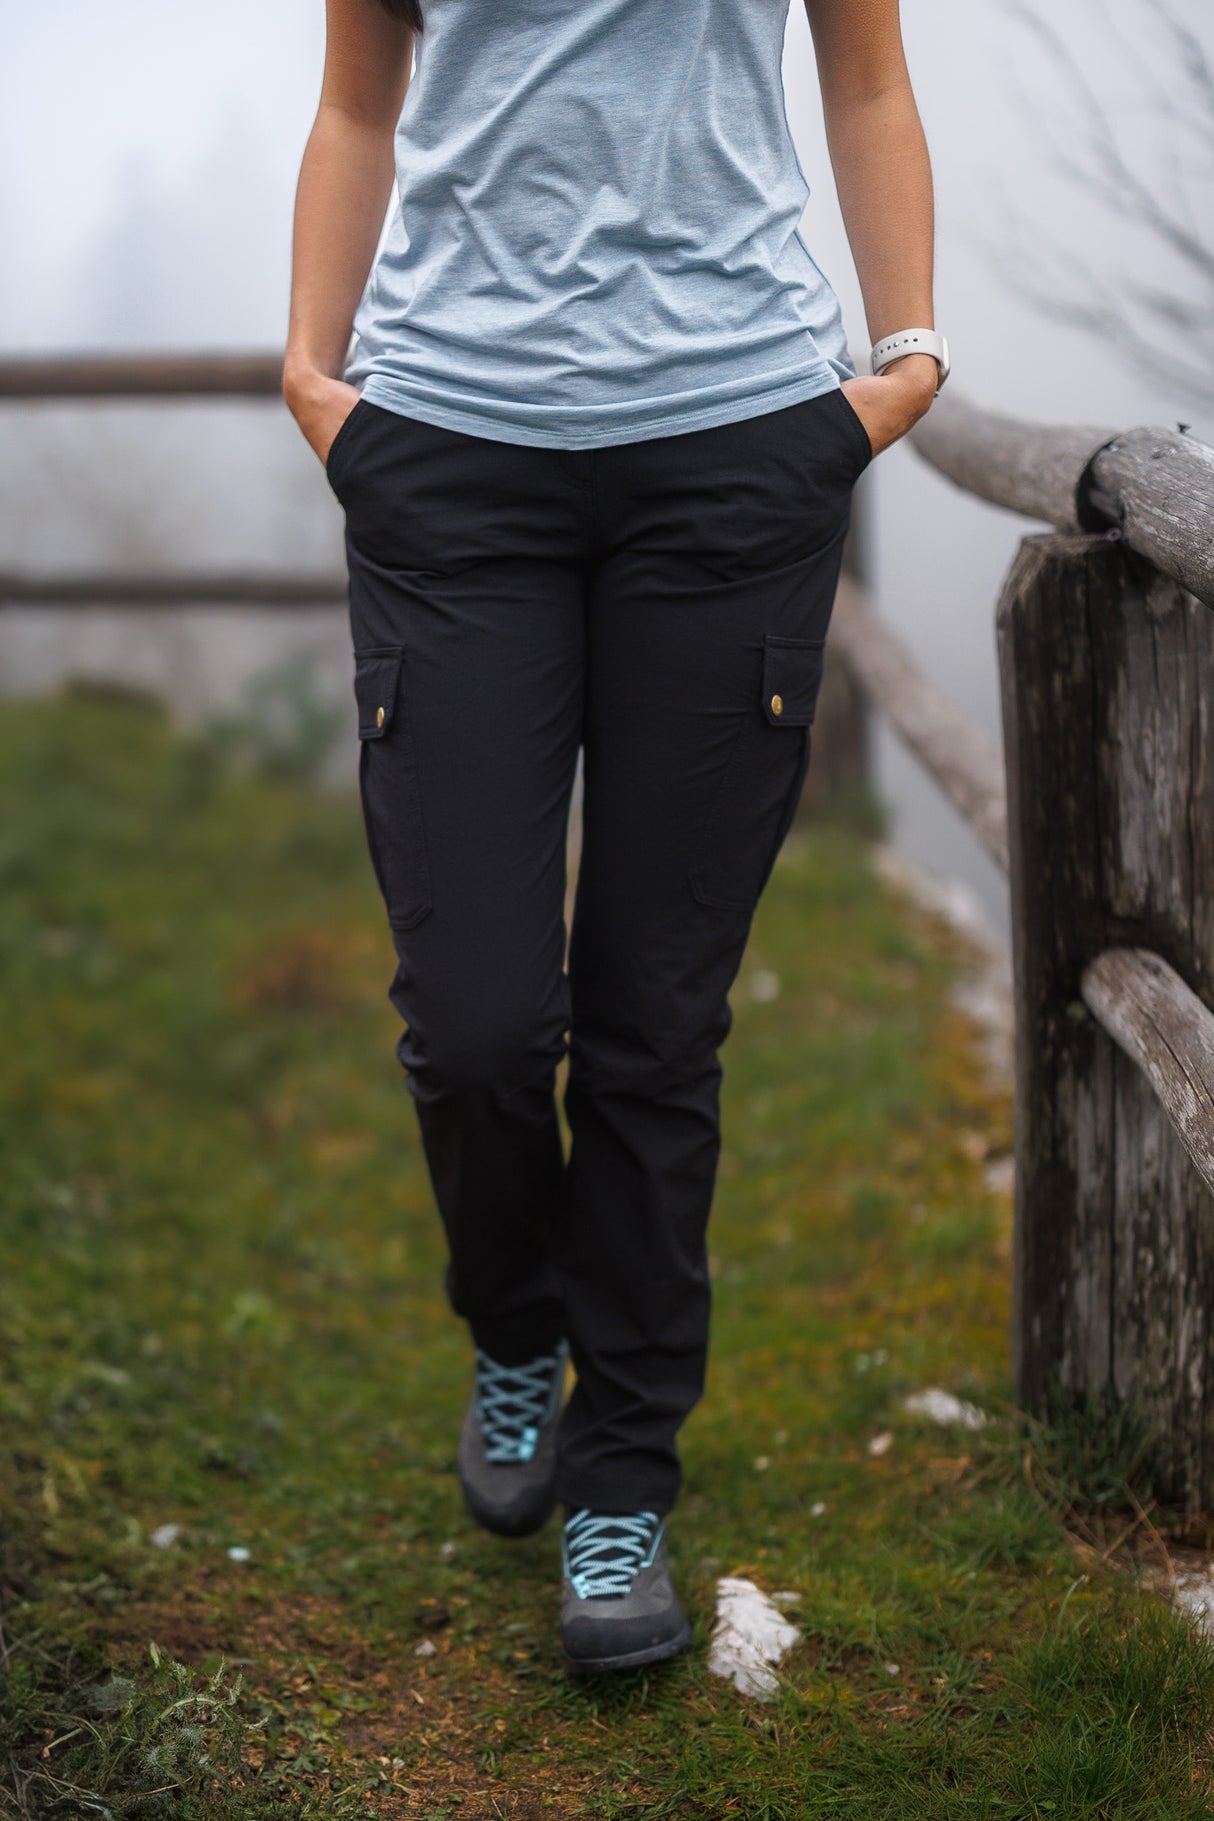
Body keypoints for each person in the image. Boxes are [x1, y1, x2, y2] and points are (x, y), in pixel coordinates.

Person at [283, 0, 945, 1675]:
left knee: (655, 1026)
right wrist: (314, 376)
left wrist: (905, 360)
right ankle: (516, 1325)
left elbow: (866, 73)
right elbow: (356, 107)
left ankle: (621, 1482)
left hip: (733, 456)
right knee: (479, 1026)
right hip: (450, 457)